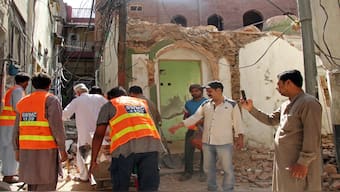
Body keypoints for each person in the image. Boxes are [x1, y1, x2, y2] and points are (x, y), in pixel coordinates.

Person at [240, 69, 322, 192]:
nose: (277, 88)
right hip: (285, 163)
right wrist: (251, 109)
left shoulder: (308, 103)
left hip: (298, 164)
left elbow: (312, 136)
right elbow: (270, 120)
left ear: (288, 83)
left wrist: (303, 163)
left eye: (279, 84)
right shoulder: (286, 105)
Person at [169, 80, 244, 192]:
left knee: (227, 169)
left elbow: (238, 123)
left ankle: (228, 189)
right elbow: (194, 117)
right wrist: (179, 125)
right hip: (207, 142)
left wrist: (240, 138)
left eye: (210, 91)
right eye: (207, 91)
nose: (208, 94)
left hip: (224, 142)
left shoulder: (232, 104)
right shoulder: (206, 105)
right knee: (208, 168)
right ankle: (212, 188)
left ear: (218, 90)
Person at [89, 86, 164, 191]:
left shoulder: (110, 104)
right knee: (149, 187)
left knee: (121, 185)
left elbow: (99, 135)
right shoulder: (141, 103)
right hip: (151, 145)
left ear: (109, 97)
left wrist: (93, 160)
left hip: (124, 148)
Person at [13, 72, 68, 191]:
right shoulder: (51, 100)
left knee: (32, 184)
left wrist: (16, 150)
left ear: (33, 85)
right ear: (49, 85)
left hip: (26, 150)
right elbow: (57, 128)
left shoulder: (23, 102)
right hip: (46, 150)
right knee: (46, 184)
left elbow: (16, 129)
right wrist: (63, 150)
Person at [62, 83, 107, 182]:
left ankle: (84, 176)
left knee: (83, 153)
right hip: (100, 132)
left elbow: (65, 114)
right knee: (101, 153)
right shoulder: (99, 98)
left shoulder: (77, 101)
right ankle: (100, 175)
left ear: (77, 93)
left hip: (85, 133)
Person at [169, 84, 207, 182]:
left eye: (196, 91)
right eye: (192, 91)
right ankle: (188, 172)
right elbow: (186, 116)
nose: (194, 93)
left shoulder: (207, 102)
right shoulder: (188, 104)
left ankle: (203, 172)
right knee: (188, 150)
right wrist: (187, 121)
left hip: (205, 129)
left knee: (205, 151)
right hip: (192, 129)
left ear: (201, 91)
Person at [0, 72, 30, 183]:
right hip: (11, 123)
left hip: (6, 123)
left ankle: (9, 173)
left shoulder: (12, 89)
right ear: (25, 82)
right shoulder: (18, 90)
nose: (27, 85)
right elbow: (18, 107)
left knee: (6, 148)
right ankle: (9, 175)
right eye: (27, 82)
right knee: (12, 148)